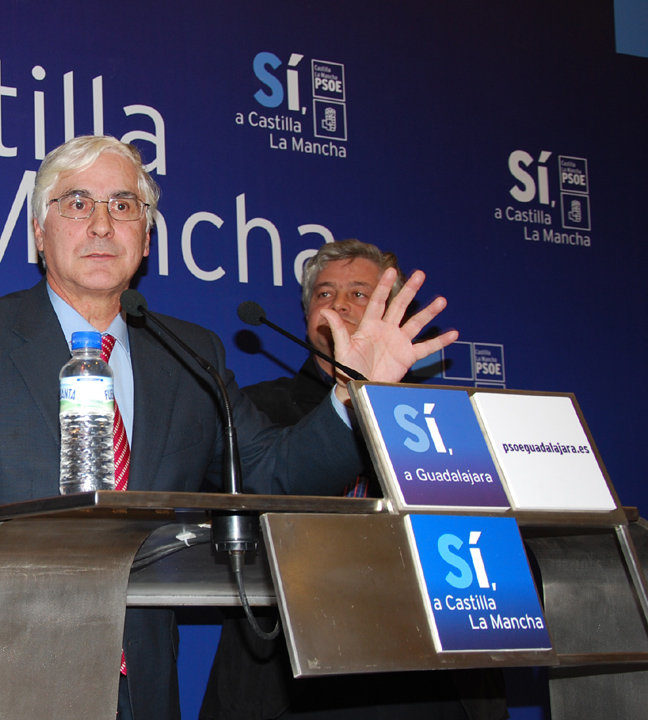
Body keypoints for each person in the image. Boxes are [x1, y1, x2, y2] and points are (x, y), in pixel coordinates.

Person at [0, 136, 456, 720]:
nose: (101, 224)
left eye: (123, 206)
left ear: (145, 239)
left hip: (141, 685)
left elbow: (271, 474)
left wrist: (352, 396)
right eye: (77, 203)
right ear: (39, 231)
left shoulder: (189, 353)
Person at [200, 240, 507, 720]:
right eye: (324, 294)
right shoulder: (253, 411)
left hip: (431, 676)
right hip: (292, 678)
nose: (339, 304)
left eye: (359, 294)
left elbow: (490, 547)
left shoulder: (440, 419)